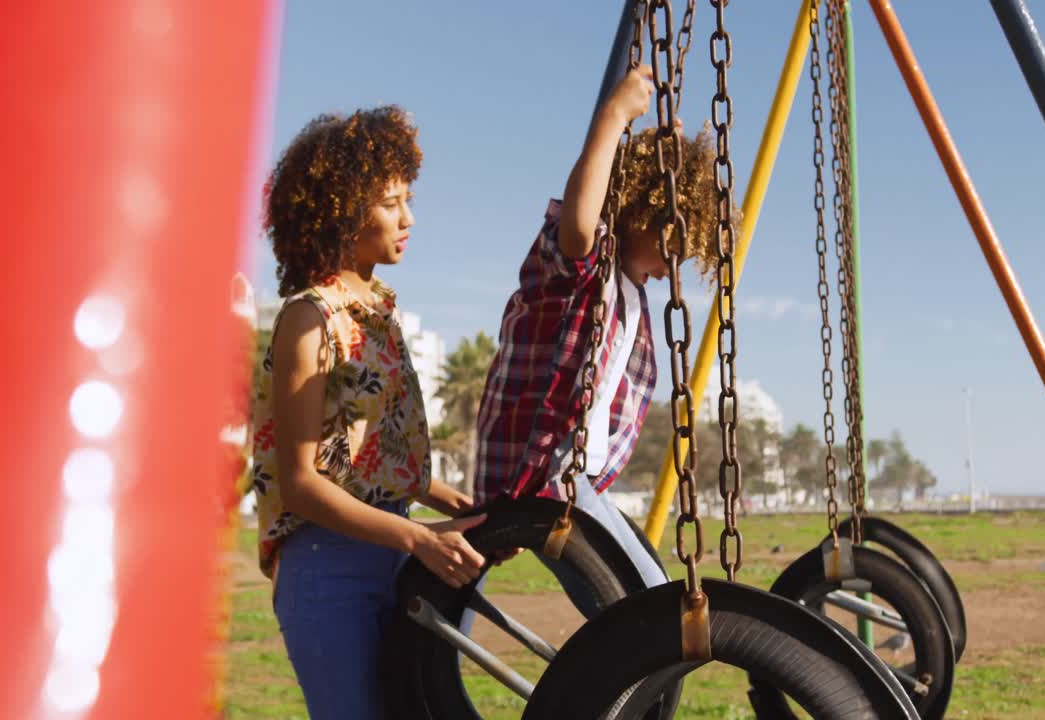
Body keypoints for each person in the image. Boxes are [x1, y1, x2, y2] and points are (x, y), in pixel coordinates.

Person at [251, 106, 488, 720]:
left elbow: (365, 455)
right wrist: (416, 536)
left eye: (407, 199)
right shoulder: (310, 318)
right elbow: (302, 484)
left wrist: (451, 503)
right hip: (328, 569)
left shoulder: (377, 312)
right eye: (390, 202)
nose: (408, 219)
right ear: (342, 209)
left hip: (391, 551)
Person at [473, 65, 725, 600]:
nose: (675, 266)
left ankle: (630, 680)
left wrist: (660, 150)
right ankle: (611, 682)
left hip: (573, 480)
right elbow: (582, 221)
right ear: (645, 213)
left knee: (656, 592)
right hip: (542, 474)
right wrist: (613, 117)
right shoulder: (584, 269)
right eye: (675, 244)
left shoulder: (631, 292)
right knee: (640, 610)